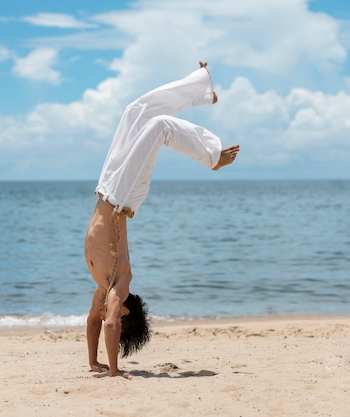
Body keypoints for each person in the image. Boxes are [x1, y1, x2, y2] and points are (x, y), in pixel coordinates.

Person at [84, 62, 240, 378]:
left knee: (133, 112)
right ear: (124, 309)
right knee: (160, 128)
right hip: (122, 196)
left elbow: (92, 321)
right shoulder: (121, 285)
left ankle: (202, 88)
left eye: (104, 315)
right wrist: (114, 370)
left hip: (108, 189)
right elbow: (111, 322)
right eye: (110, 315)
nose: (102, 316)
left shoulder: (103, 288)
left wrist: (94, 362)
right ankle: (212, 158)